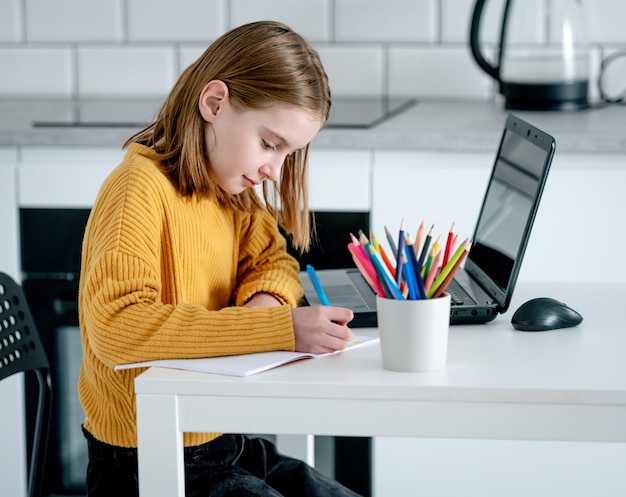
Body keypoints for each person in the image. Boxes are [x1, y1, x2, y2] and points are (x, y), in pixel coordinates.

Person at [78, 20, 361, 497]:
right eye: (270, 144)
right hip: (145, 459)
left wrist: (266, 303)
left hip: (219, 437)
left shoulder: (231, 190)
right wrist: (278, 329)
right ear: (214, 103)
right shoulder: (138, 190)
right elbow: (116, 328)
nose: (275, 169)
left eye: (290, 154)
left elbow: (273, 261)